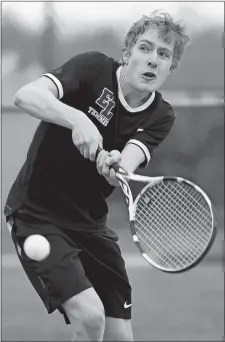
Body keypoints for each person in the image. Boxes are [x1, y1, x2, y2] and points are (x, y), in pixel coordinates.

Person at [4, 10, 190, 341]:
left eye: (164, 55)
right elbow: (26, 96)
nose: (152, 60)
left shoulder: (161, 114)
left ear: (170, 68)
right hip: (35, 215)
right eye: (145, 48)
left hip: (90, 225)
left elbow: (124, 167)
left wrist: (114, 165)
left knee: (120, 336)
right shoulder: (92, 68)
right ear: (127, 53)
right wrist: (77, 120)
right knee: (90, 319)